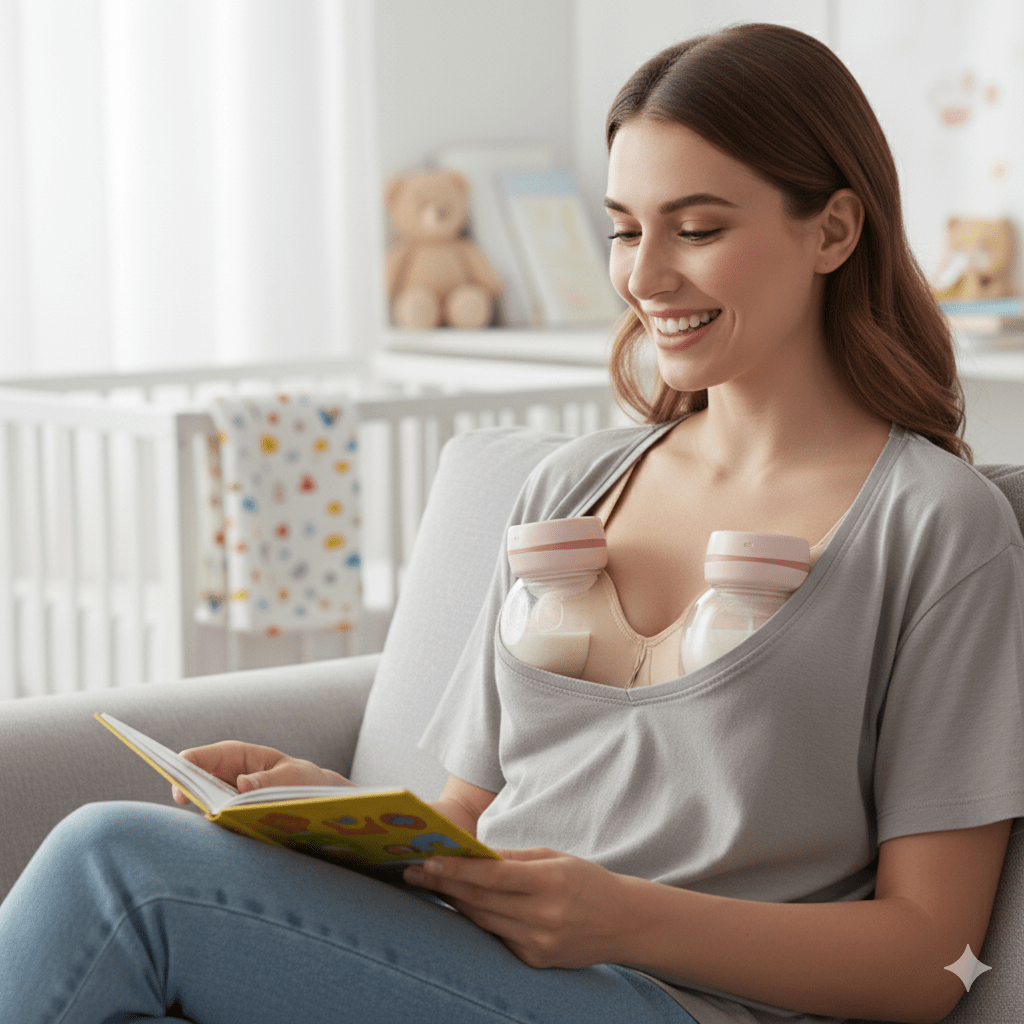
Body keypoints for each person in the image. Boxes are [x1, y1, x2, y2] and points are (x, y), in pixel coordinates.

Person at [2, 22, 1022, 1024]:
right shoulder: (569, 486)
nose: (643, 275)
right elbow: (466, 821)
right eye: (626, 227)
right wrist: (325, 814)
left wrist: (623, 918)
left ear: (833, 231)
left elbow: (932, 956)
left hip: (674, 1002)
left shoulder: (935, 527)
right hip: (477, 967)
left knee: (118, 871)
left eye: (698, 228)